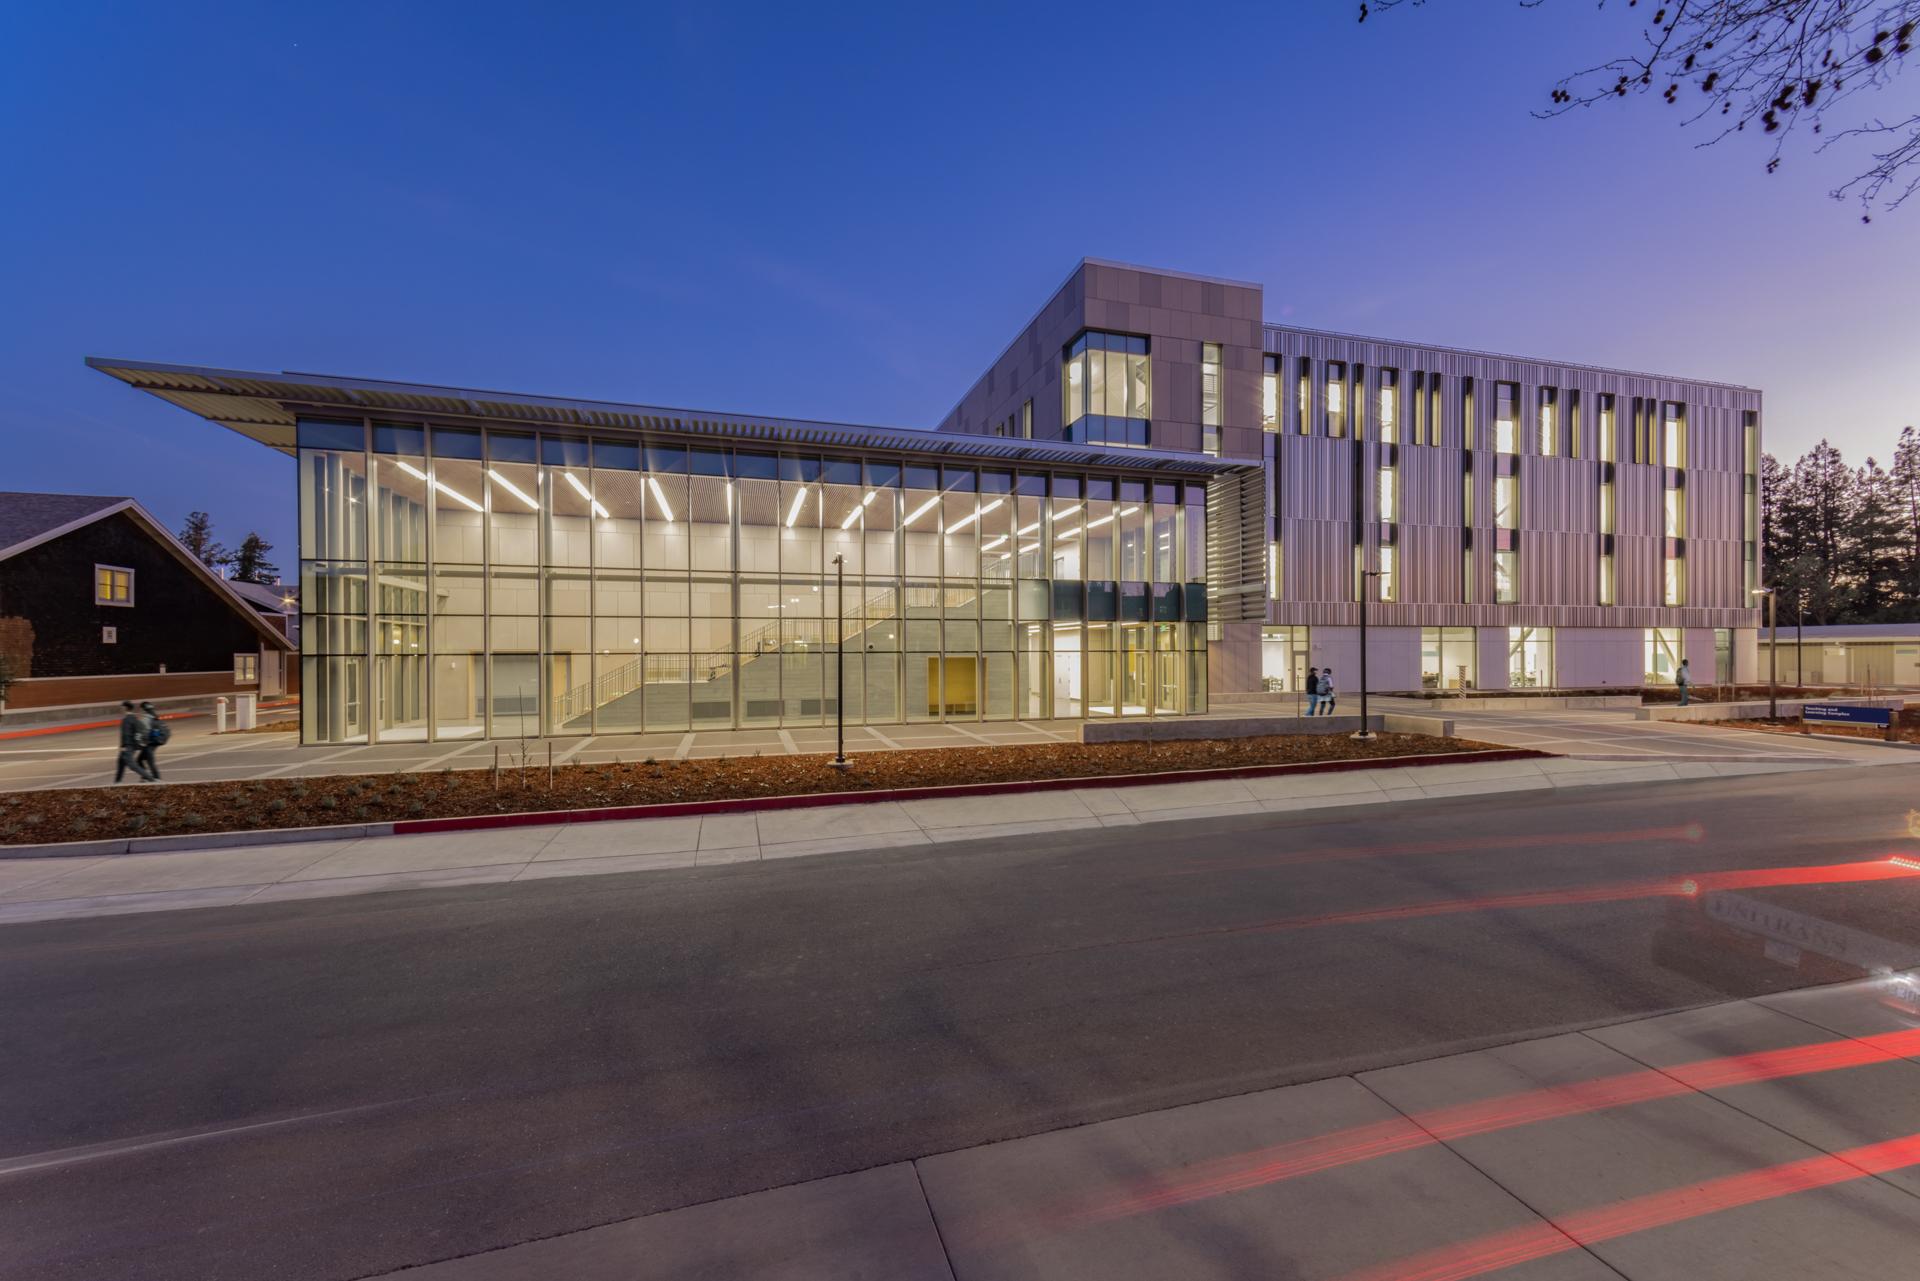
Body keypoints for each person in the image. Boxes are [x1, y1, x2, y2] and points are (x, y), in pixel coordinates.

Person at [114, 700, 152, 783]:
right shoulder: (135, 719)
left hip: (128, 746)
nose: (120, 709)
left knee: (132, 765)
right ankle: (117, 782)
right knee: (121, 763)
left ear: (125, 708)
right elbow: (141, 731)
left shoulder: (126, 720)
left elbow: (126, 734)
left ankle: (150, 778)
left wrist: (124, 746)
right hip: (132, 745)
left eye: (121, 707)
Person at [136, 700, 167, 780]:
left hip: (149, 742)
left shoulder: (146, 718)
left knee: (149, 762)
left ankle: (157, 779)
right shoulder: (154, 715)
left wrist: (139, 741)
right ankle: (145, 776)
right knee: (140, 760)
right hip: (154, 741)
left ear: (142, 709)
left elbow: (143, 731)